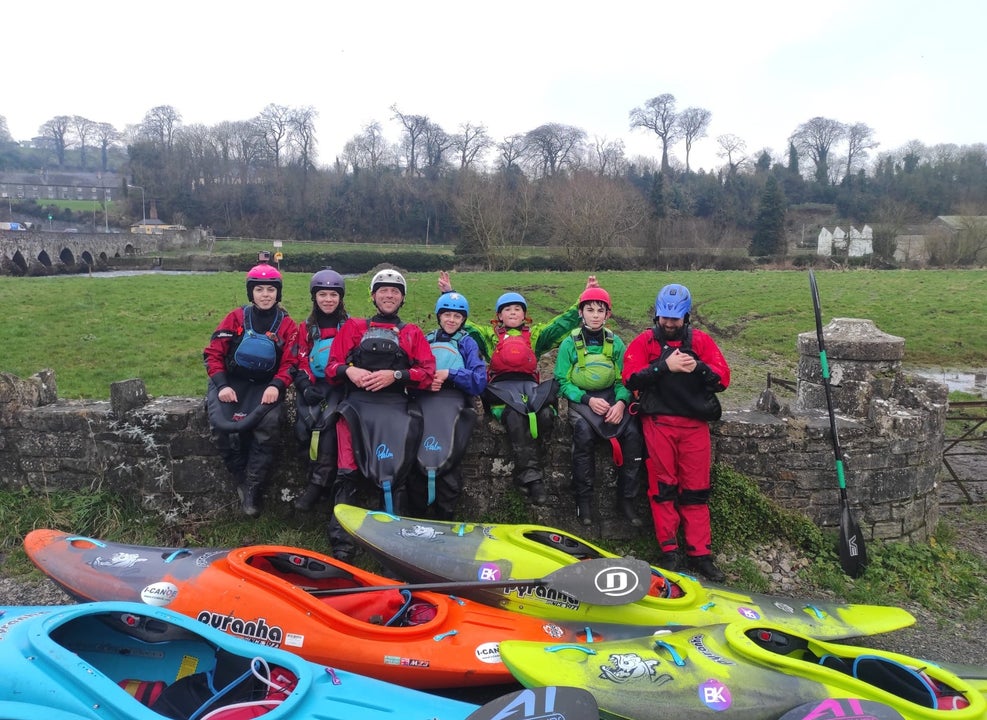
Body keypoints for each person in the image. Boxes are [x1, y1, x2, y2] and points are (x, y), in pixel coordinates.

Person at [438, 271, 599, 505]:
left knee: (545, 416)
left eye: (517, 309)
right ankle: (533, 479)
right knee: (514, 416)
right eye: (507, 309)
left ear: (525, 314)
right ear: (499, 316)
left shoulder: (535, 335)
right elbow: (465, 323)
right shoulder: (489, 335)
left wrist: (583, 299)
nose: (513, 312)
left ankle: (526, 473)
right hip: (501, 392)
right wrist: (449, 295)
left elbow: (561, 323)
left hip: (531, 391)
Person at [323, 268, 435, 560]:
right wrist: (352, 370)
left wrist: (395, 374)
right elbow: (332, 367)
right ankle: (342, 544)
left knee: (396, 473)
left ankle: (394, 545)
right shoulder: (354, 328)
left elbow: (426, 372)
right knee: (347, 472)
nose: (389, 295)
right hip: (357, 406)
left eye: (395, 291)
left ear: (402, 299)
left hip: (396, 406)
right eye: (383, 290)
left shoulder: (411, 333)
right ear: (373, 296)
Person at [622, 283, 730, 583]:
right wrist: (663, 367)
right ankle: (670, 551)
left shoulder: (701, 341)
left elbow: (723, 379)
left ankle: (700, 554)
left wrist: (697, 367)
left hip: (694, 425)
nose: (669, 324)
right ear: (657, 315)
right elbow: (630, 378)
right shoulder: (645, 342)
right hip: (658, 424)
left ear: (686, 316)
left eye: (675, 318)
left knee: (696, 491)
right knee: (663, 489)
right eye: (664, 318)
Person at [203, 264, 298, 518]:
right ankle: (239, 477)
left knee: (268, 426)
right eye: (259, 289)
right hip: (232, 383)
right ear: (251, 293)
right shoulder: (235, 318)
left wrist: (277, 386)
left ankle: (254, 487)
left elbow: (291, 363)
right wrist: (222, 385)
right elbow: (213, 353)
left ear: (278, 294)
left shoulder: (288, 326)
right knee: (221, 425)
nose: (265, 295)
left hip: (265, 386)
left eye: (270, 290)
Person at [554, 285, 644, 527]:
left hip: (612, 399)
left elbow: (624, 379)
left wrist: (622, 403)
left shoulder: (616, 343)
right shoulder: (569, 344)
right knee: (583, 434)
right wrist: (586, 400)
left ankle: (627, 499)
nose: (595, 315)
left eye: (600, 310)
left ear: (607, 315)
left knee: (634, 434)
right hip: (582, 401)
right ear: (581, 313)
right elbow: (562, 380)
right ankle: (584, 501)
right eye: (589, 309)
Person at [406, 290, 487, 520]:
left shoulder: (467, 343)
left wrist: (449, 374)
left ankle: (445, 518)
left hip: (455, 405)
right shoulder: (426, 340)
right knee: (417, 462)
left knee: (449, 463)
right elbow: (410, 373)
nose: (451, 320)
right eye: (447, 315)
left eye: (457, 317)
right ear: (439, 316)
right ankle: (417, 519)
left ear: (463, 320)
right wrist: (424, 382)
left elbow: (479, 381)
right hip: (425, 402)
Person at [291, 268, 348, 512]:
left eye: (333, 295)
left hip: (341, 385)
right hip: (315, 385)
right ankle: (316, 480)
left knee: (329, 429)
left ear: (340, 298)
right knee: (304, 427)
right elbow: (300, 359)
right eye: (323, 294)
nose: (328, 300)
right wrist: (304, 385)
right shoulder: (306, 329)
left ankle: (317, 486)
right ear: (314, 297)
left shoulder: (350, 326)